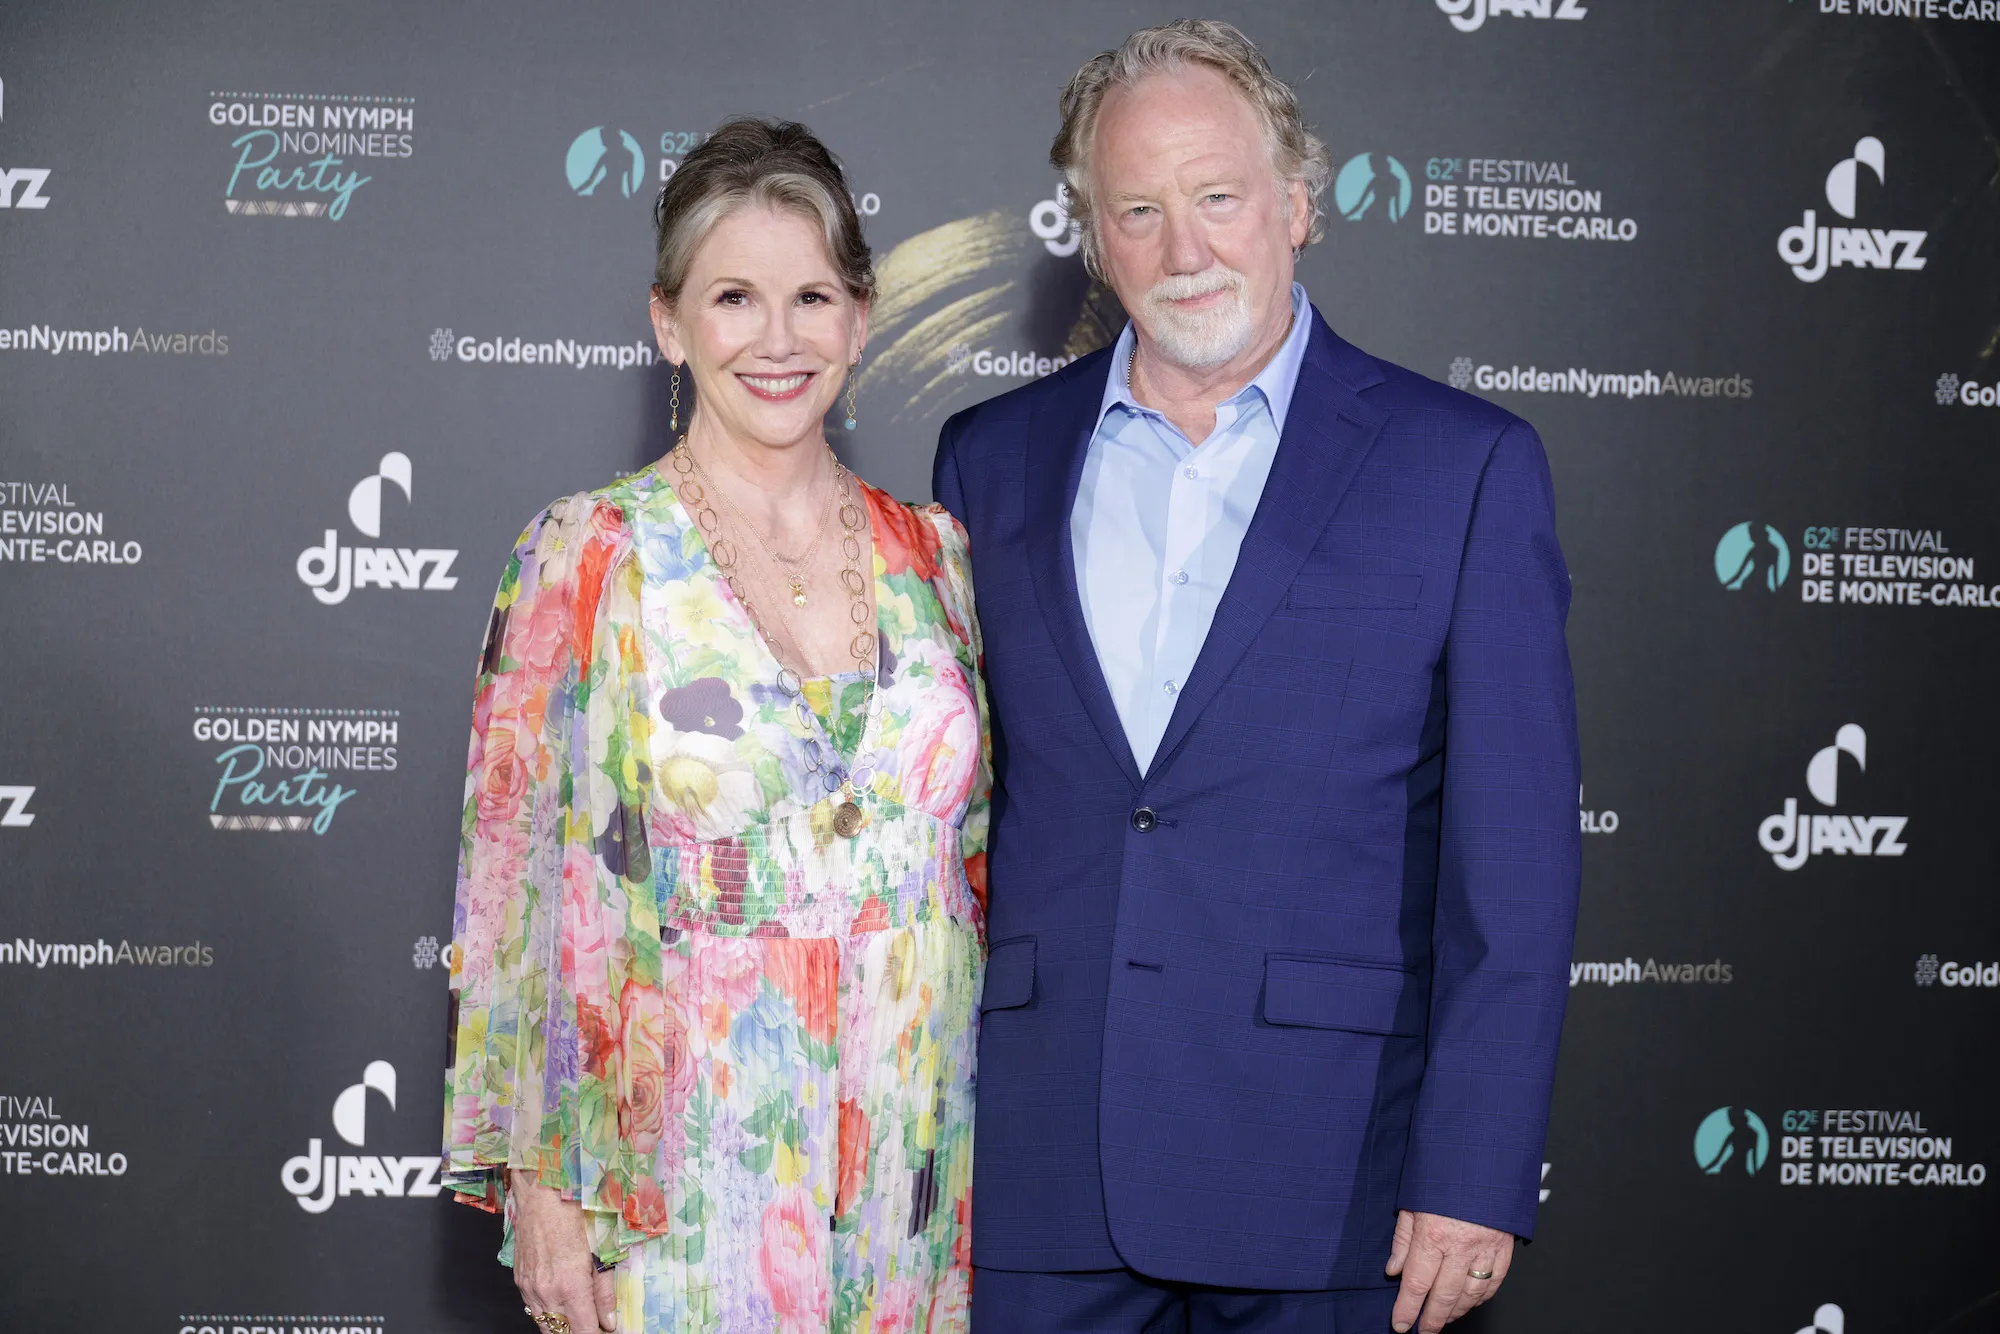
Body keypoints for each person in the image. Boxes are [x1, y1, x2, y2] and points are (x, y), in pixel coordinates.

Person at [932, 21, 1580, 1334]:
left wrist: (1474, 1170)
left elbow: (1513, 857)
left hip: (1331, 1183)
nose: (1186, 249)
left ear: (1297, 199)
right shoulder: (985, 461)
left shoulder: (1463, 464)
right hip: (1035, 1178)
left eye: (1218, 198)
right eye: (1139, 210)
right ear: (1092, 234)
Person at [444, 118, 989, 1334]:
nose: (777, 338)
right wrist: (542, 1191)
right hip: (682, 1184)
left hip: (916, 1163)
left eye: (811, 296)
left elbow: (980, 870)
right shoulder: (587, 555)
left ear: (861, 316)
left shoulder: (937, 557)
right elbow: (513, 904)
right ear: (667, 323)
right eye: (733, 296)